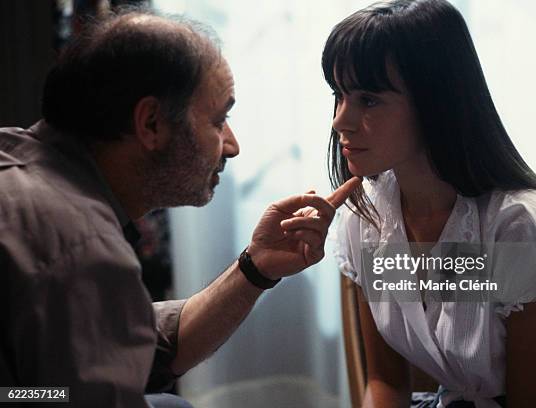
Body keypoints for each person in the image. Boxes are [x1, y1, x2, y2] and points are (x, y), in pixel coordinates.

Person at [0, 8, 361, 408]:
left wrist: (256, 267)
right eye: (218, 120)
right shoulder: (82, 247)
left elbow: (130, 342)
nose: (233, 145)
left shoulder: (16, 158)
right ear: (151, 123)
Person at [325, 1, 536, 407]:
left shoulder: (523, 230)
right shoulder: (366, 221)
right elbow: (387, 384)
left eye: (368, 100)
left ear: (435, 102)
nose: (340, 120)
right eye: (339, 94)